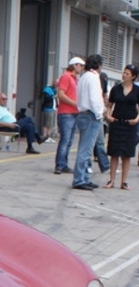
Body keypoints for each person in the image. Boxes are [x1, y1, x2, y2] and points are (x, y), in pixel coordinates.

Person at [103, 64, 139, 190]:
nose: (124, 75)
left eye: (127, 73)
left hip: (130, 124)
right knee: (114, 153)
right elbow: (109, 104)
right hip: (116, 122)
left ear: (133, 76)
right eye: (124, 72)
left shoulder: (137, 90)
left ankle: (124, 182)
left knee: (127, 154)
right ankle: (111, 180)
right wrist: (108, 115)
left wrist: (136, 119)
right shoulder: (116, 89)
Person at [72, 54, 105, 190]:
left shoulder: (83, 77)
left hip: (82, 114)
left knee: (83, 147)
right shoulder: (94, 78)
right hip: (91, 115)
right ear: (98, 65)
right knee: (86, 150)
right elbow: (95, 98)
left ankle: (84, 177)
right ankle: (80, 179)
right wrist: (99, 113)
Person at [54, 57, 84, 174]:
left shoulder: (75, 79)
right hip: (66, 112)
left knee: (69, 141)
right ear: (75, 65)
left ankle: (64, 163)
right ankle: (59, 165)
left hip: (73, 113)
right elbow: (61, 95)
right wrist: (75, 103)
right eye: (81, 66)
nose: (81, 68)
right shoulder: (66, 77)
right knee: (65, 140)